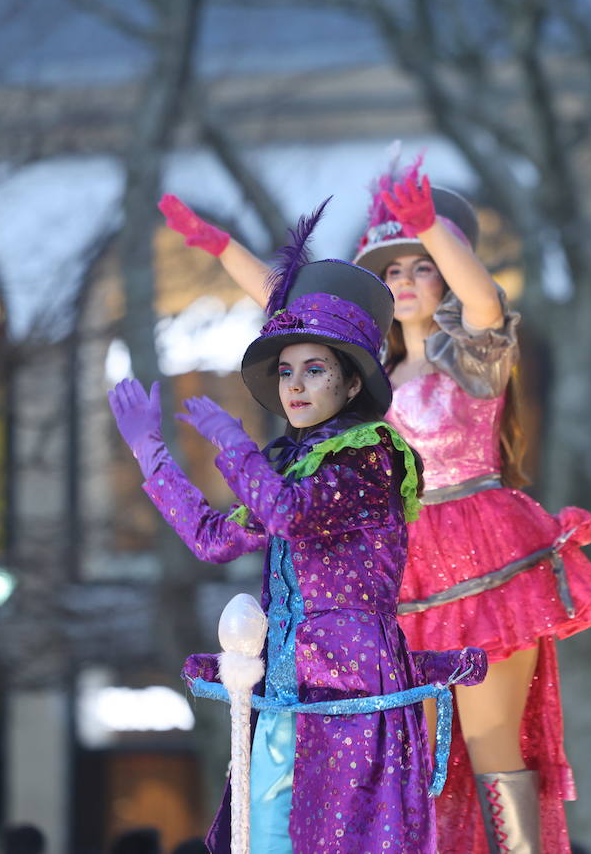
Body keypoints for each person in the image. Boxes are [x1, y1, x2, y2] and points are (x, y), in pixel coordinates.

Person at [156, 159, 591, 853]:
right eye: (391, 273)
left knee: (493, 755)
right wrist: (224, 249)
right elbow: (290, 306)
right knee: (417, 766)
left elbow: (487, 306)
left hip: (481, 565)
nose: (405, 282)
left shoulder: (471, 359)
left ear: (446, 271)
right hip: (387, 577)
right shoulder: (361, 377)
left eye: (421, 267)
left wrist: (433, 226)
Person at [109, 202, 486, 854]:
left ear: (349, 382)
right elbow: (214, 539)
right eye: (285, 371)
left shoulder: (372, 455)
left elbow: (291, 514)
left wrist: (232, 441)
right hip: (282, 690)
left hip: (352, 693)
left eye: (314, 370)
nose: (295, 386)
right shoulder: (288, 461)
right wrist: (152, 456)